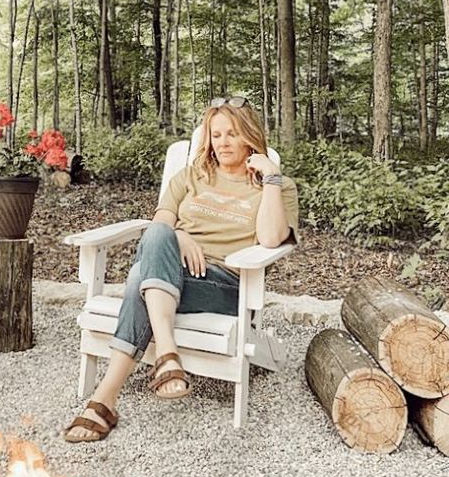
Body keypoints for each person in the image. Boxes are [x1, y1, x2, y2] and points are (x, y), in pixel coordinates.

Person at [64, 97, 299, 443]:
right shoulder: (190, 175)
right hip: (173, 277)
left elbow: (271, 237)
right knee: (158, 235)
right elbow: (160, 222)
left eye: (232, 134)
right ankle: (166, 357)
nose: (222, 142)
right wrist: (180, 235)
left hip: (225, 286)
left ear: (249, 136)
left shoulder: (275, 186)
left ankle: (104, 398)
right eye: (216, 134)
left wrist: (272, 180)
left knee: (137, 278)